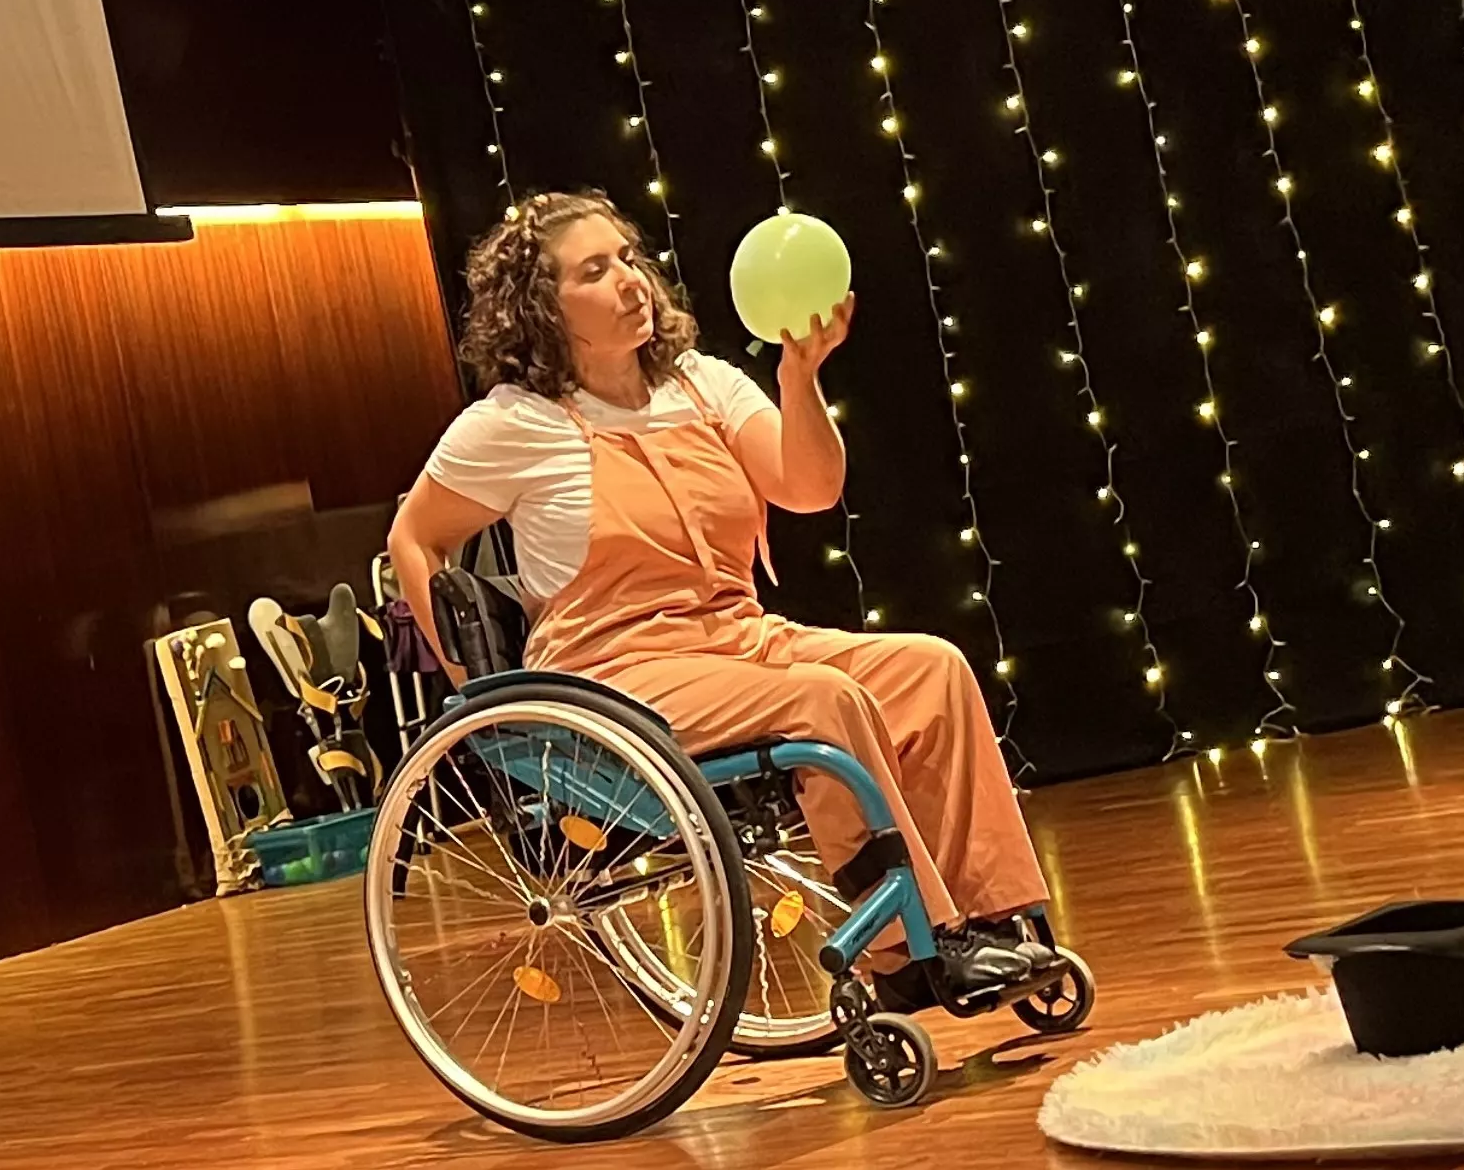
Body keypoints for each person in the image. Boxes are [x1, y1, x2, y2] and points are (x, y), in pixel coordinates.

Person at [385, 189, 1058, 1001]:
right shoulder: (513, 424)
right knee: (820, 699)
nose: (629, 281)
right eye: (593, 271)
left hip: (735, 637)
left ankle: (992, 919)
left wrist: (798, 378)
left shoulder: (701, 385)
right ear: (541, 306)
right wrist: (476, 688)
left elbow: (808, 488)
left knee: (930, 668)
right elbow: (413, 539)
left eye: (628, 259)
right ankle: (904, 953)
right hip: (614, 669)